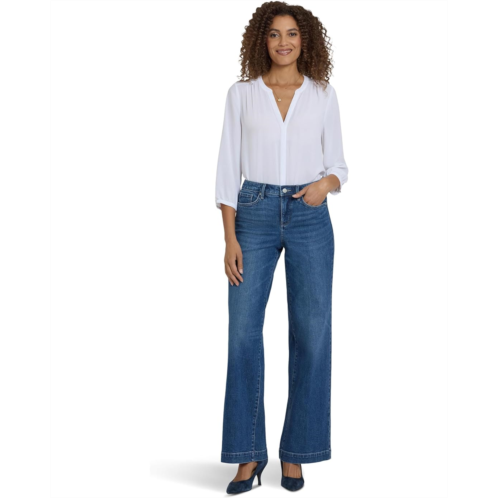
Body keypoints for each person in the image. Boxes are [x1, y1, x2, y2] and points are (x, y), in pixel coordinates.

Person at [214, 1, 348, 493]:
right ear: (262, 41)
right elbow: (227, 169)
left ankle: (297, 453)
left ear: (304, 40)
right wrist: (229, 237)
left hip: (310, 215)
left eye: (292, 33)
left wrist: (324, 185)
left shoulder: (322, 94)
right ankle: (248, 454)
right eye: (274, 34)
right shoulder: (242, 94)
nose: (283, 42)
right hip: (253, 214)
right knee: (242, 333)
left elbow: (339, 165)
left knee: (312, 334)